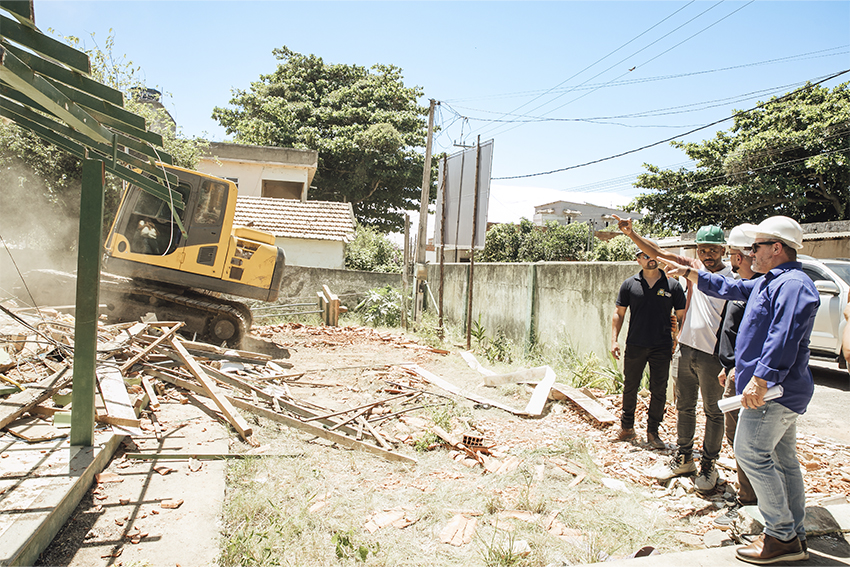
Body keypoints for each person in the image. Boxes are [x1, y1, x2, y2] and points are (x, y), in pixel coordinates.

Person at [665, 216, 818, 564]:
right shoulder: (770, 281)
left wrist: (760, 379)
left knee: (749, 452)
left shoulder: (793, 285)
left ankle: (780, 535)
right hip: (771, 389)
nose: (750, 254)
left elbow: (784, 336)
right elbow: (728, 288)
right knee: (783, 460)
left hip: (771, 392)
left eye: (756, 247)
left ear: (776, 248)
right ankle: (794, 533)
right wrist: (687, 272)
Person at [613, 215, 731, 492]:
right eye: (703, 249)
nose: (707, 254)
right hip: (687, 350)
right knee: (684, 407)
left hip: (712, 354)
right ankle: (684, 456)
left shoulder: (732, 279)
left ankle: (709, 464)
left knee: (713, 412)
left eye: (713, 249)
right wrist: (632, 234)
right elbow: (659, 253)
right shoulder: (693, 267)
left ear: (724, 250)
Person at [710, 224, 762, 529]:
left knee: (744, 440)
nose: (731, 260)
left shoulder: (757, 289)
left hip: (748, 378)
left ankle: (748, 501)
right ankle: (749, 496)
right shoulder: (741, 284)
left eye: (733, 254)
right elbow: (729, 331)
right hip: (733, 372)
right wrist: (726, 363)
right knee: (737, 438)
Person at [610, 244, 686, 449]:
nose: (650, 258)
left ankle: (653, 432)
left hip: (662, 345)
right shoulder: (629, 285)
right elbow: (619, 313)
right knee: (630, 386)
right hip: (636, 343)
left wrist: (678, 336)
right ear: (638, 259)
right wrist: (614, 340)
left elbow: (682, 316)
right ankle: (627, 428)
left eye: (653, 255)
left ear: (658, 258)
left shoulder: (673, 286)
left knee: (659, 389)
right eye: (645, 255)